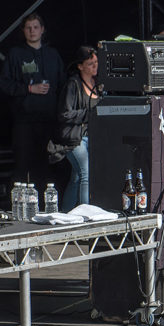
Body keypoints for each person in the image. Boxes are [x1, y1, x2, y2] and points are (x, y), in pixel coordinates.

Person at [0, 13, 66, 191]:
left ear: (42, 30)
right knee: (23, 164)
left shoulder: (53, 55)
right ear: (23, 31)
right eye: (28, 28)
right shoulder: (16, 54)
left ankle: (48, 206)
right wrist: (29, 89)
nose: (32, 31)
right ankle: (19, 207)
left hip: (49, 120)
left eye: (36, 27)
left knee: (48, 165)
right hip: (24, 120)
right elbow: (4, 84)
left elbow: (63, 85)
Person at [56, 46, 99, 211]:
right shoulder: (73, 84)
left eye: (96, 62)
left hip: (92, 136)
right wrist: (89, 114)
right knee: (85, 174)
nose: (95, 66)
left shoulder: (99, 84)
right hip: (75, 138)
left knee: (76, 178)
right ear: (80, 66)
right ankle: (86, 215)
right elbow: (65, 114)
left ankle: (66, 213)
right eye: (90, 64)